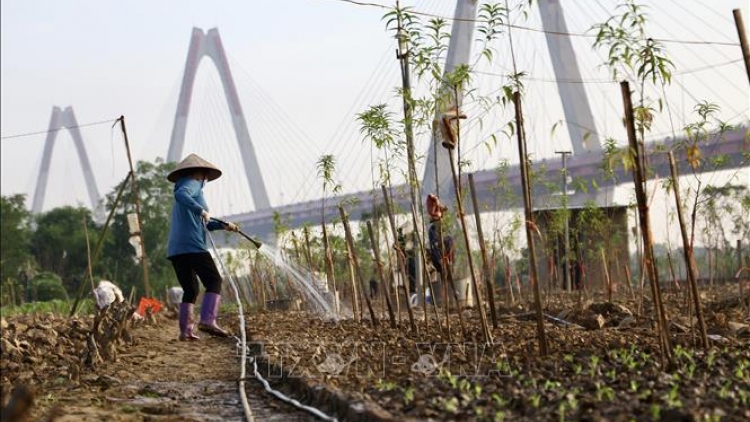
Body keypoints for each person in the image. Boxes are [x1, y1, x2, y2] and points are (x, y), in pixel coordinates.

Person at [166, 153, 240, 341]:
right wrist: (201, 210)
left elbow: (203, 223)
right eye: (205, 175)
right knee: (214, 280)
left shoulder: (187, 187)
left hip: (176, 248)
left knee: (190, 290)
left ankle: (186, 331)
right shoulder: (192, 183)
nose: (205, 179)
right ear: (199, 173)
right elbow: (181, 195)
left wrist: (223, 225)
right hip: (193, 245)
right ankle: (207, 320)